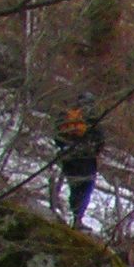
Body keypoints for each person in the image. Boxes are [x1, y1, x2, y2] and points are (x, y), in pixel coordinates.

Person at [54, 94, 105, 228]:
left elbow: (57, 138)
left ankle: (72, 217)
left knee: (74, 188)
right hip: (86, 159)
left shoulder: (65, 116)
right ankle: (77, 219)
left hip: (69, 159)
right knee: (85, 189)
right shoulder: (91, 117)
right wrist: (96, 150)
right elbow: (100, 139)